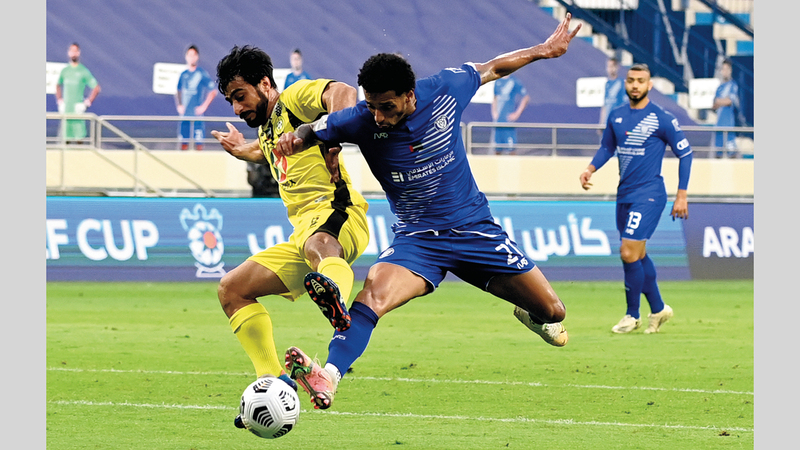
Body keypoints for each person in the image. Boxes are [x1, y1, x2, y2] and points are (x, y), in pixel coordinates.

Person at [276, 13, 581, 410]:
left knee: (553, 310)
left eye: (387, 107)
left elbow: (494, 68)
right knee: (372, 297)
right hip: (417, 241)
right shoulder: (360, 120)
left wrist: (544, 50)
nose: (378, 116)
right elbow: (314, 129)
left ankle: (531, 313)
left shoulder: (446, 88)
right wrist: (294, 141)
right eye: (372, 106)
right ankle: (328, 376)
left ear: (410, 95)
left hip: (474, 231)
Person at [210, 45, 370, 425]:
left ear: (265, 84)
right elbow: (269, 149)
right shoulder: (268, 130)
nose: (237, 108)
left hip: (338, 214)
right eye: (231, 101)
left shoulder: (294, 100)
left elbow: (343, 92)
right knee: (232, 289)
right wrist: (243, 150)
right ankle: (273, 381)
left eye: (240, 96)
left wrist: (329, 133)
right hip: (302, 236)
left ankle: (335, 297)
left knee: (319, 245)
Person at [578, 63, 693, 335]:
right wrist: (590, 169)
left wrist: (682, 194)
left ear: (649, 85)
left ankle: (632, 315)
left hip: (650, 194)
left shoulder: (661, 118)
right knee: (638, 255)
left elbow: (686, 154)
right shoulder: (617, 115)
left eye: (641, 81)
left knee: (628, 252)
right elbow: (607, 147)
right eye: (631, 80)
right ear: (625, 83)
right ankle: (659, 308)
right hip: (625, 194)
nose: (635, 85)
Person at [55, 42, 101, 144]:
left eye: (75, 51)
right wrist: (60, 101)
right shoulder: (65, 71)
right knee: (66, 141)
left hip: (77, 111)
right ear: (68, 53)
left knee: (79, 140)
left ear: (79, 53)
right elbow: (57, 85)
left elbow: (96, 88)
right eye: (72, 51)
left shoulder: (83, 71)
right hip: (67, 111)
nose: (74, 53)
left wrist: (86, 103)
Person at [175, 45, 218, 150]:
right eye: (189, 55)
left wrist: (204, 106)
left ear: (197, 57)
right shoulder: (183, 74)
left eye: (193, 55)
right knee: (183, 143)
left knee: (199, 143)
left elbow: (213, 90)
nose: (191, 58)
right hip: (185, 114)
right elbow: (178, 90)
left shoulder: (201, 73)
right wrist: (179, 105)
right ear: (186, 57)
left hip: (197, 114)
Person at [712, 58, 743, 158]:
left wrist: (720, 101)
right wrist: (721, 101)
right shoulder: (719, 88)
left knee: (732, 154)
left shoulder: (733, 85)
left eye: (727, 69)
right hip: (719, 125)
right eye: (723, 69)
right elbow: (714, 104)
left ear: (730, 71)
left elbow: (729, 101)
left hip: (728, 125)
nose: (724, 71)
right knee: (718, 154)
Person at [490, 73, 529, 154]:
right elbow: (495, 97)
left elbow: (526, 97)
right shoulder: (497, 82)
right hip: (498, 122)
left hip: (508, 121)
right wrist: (494, 112)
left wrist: (517, 113)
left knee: (511, 149)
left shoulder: (514, 81)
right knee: (497, 149)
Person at [599, 55, 627, 128]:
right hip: (608, 123)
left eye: (612, 66)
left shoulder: (621, 83)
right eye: (608, 66)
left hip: (618, 122)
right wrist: (601, 123)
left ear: (617, 67)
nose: (610, 69)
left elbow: (626, 104)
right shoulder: (607, 84)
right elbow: (605, 105)